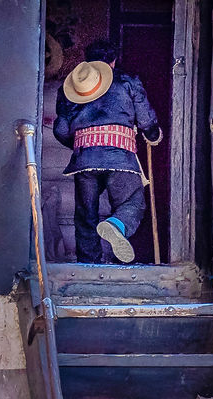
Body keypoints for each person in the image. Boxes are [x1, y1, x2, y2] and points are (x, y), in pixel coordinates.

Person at [53, 39, 162, 264]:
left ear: (87, 61)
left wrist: (84, 145)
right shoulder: (128, 82)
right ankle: (115, 225)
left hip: (85, 159)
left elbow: (61, 130)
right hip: (120, 156)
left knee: (85, 216)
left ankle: (88, 264)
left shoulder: (71, 88)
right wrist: (153, 135)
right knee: (132, 202)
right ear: (112, 61)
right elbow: (145, 119)